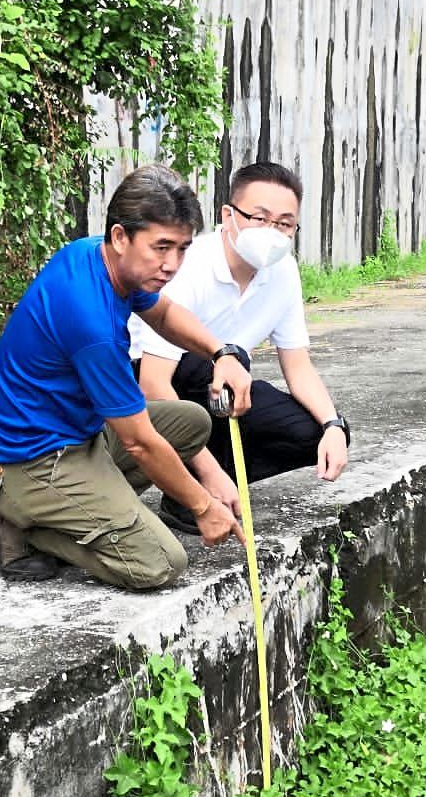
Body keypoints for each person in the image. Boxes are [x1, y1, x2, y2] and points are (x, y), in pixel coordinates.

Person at [0, 164, 252, 590]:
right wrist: (202, 505)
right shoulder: (89, 320)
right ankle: (19, 519)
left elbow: (160, 312)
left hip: (79, 433)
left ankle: (66, 507)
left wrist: (223, 352)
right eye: (161, 247)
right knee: (159, 562)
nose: (172, 264)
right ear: (121, 236)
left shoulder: (100, 256)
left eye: (182, 248)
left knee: (192, 422)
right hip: (35, 461)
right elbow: (138, 441)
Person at [129, 161, 349, 534]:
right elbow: (153, 383)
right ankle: (194, 485)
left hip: (222, 386)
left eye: (284, 223)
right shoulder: (189, 266)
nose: (271, 232)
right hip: (149, 383)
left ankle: (196, 495)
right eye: (259, 218)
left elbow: (298, 366)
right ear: (227, 215)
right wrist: (207, 471)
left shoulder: (283, 272)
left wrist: (334, 427)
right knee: (213, 364)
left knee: (310, 433)